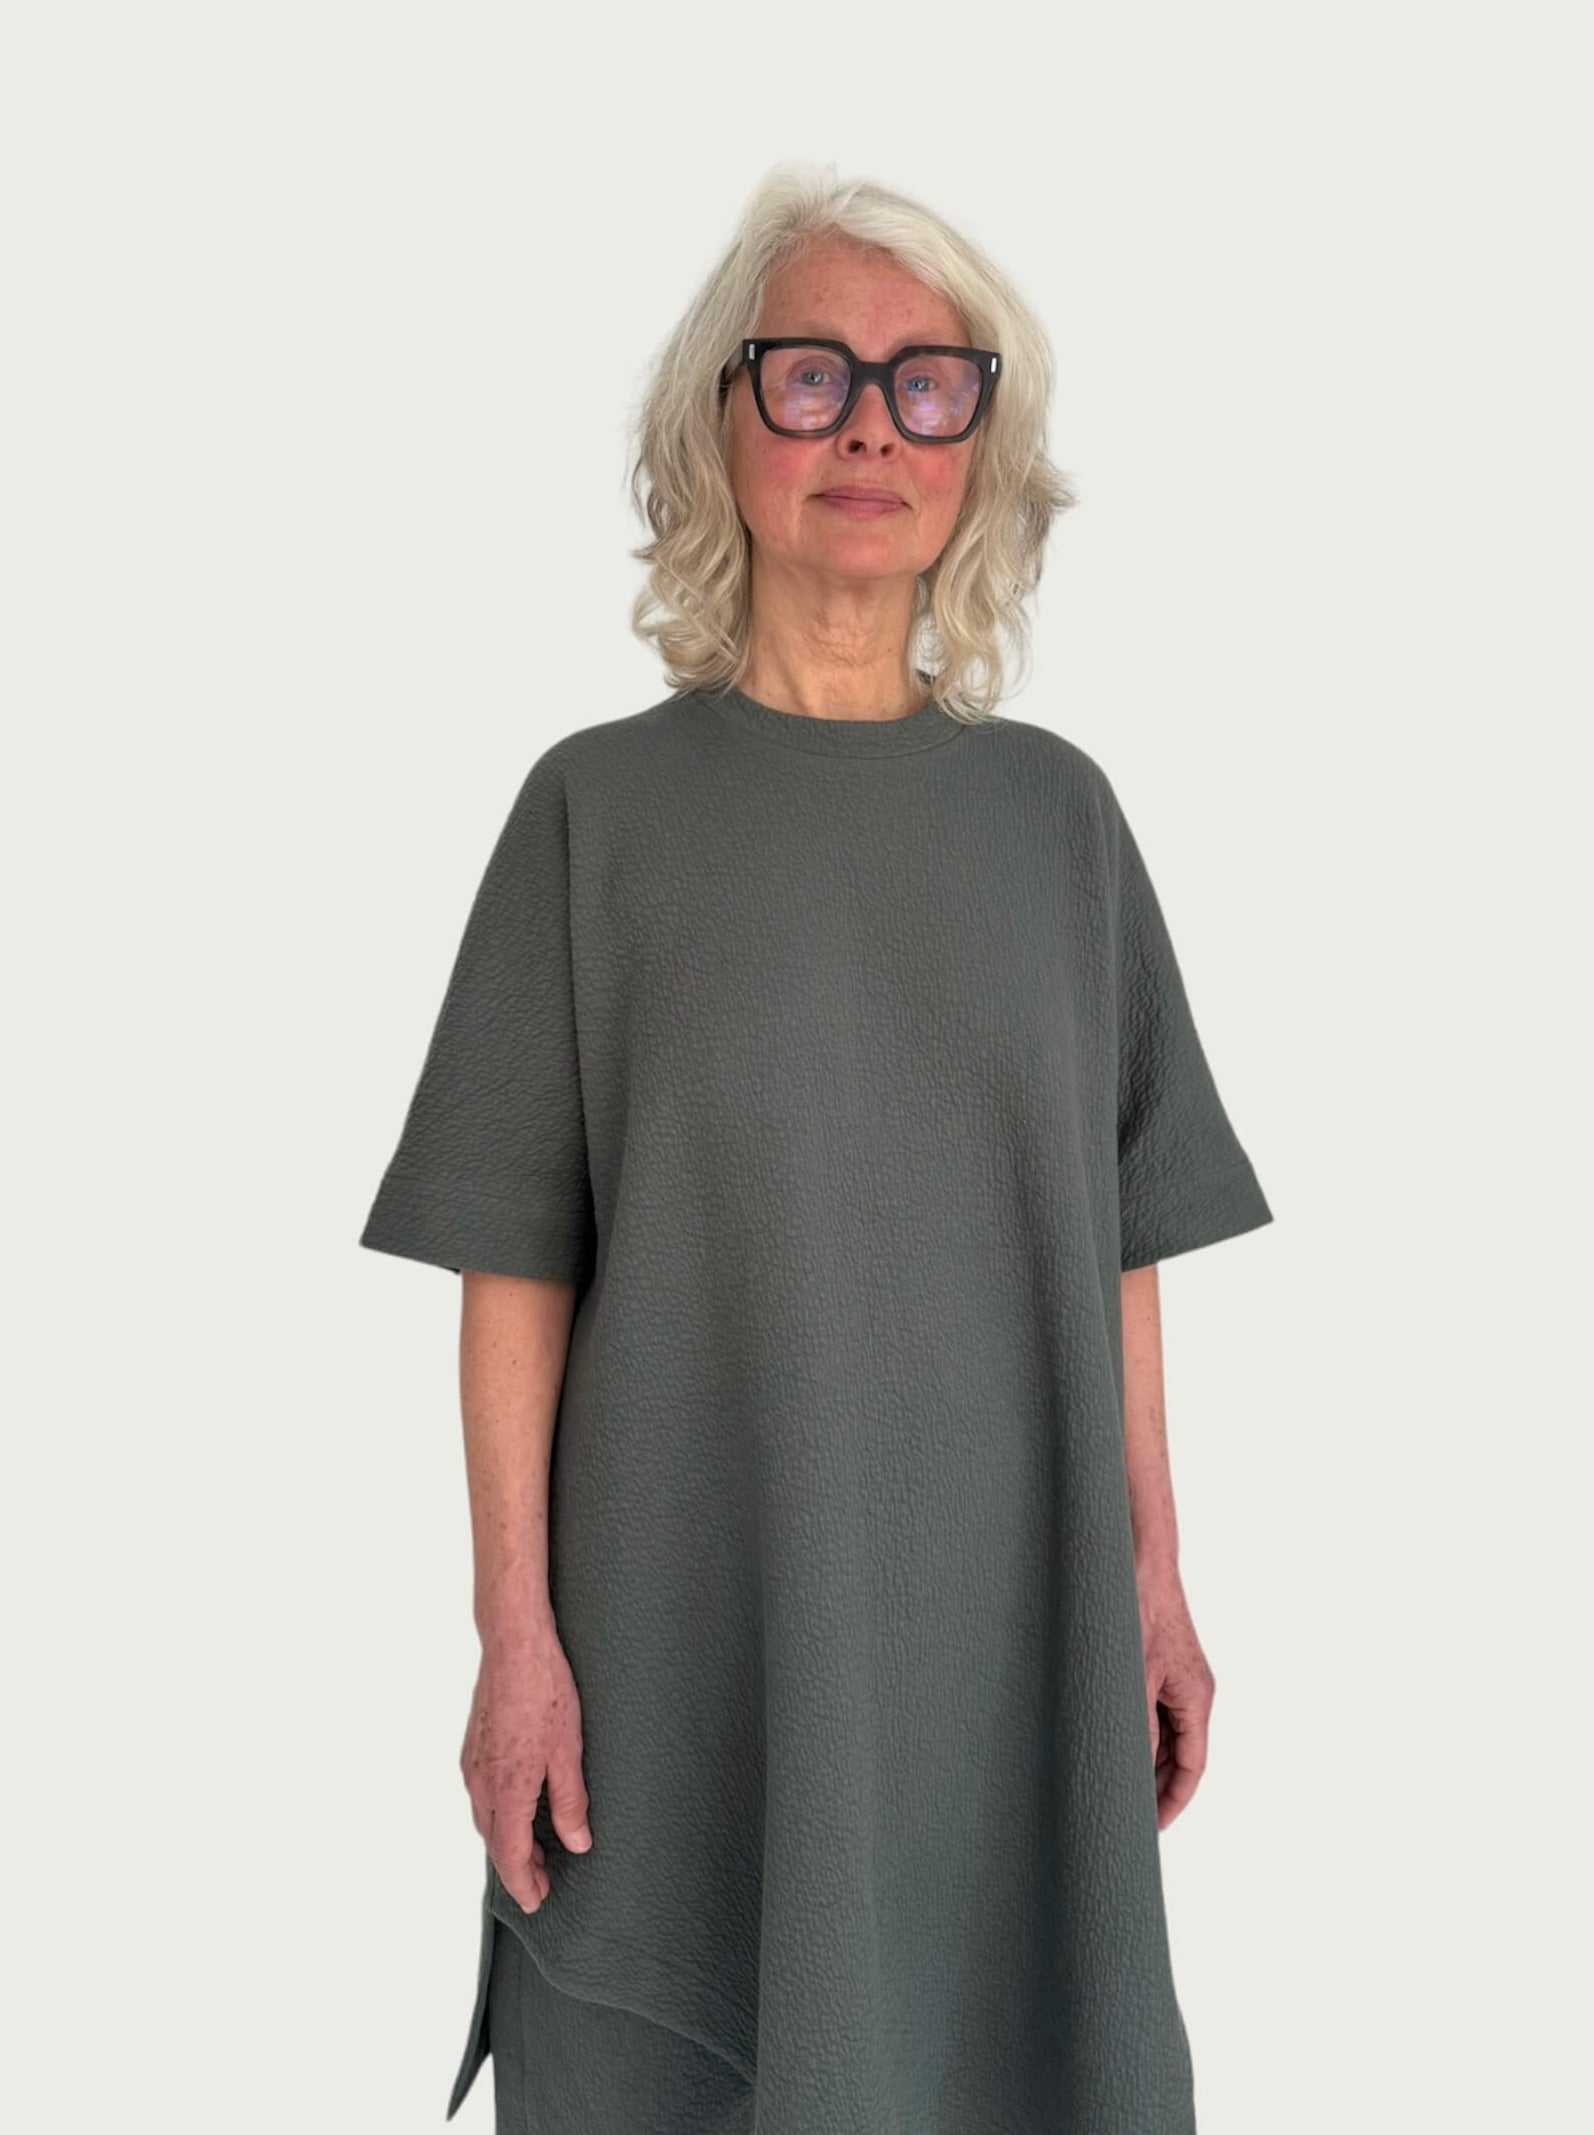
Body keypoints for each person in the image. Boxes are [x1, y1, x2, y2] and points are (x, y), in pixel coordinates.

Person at [359, 163, 1274, 2135]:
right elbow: (513, 1264)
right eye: (810, 376)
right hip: (689, 1622)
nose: (869, 427)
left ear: (979, 451)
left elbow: (1118, 1237)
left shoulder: (1059, 825)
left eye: (926, 384)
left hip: (1002, 1629)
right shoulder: (595, 816)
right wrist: (512, 1634)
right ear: (722, 423)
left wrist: (1156, 1580)